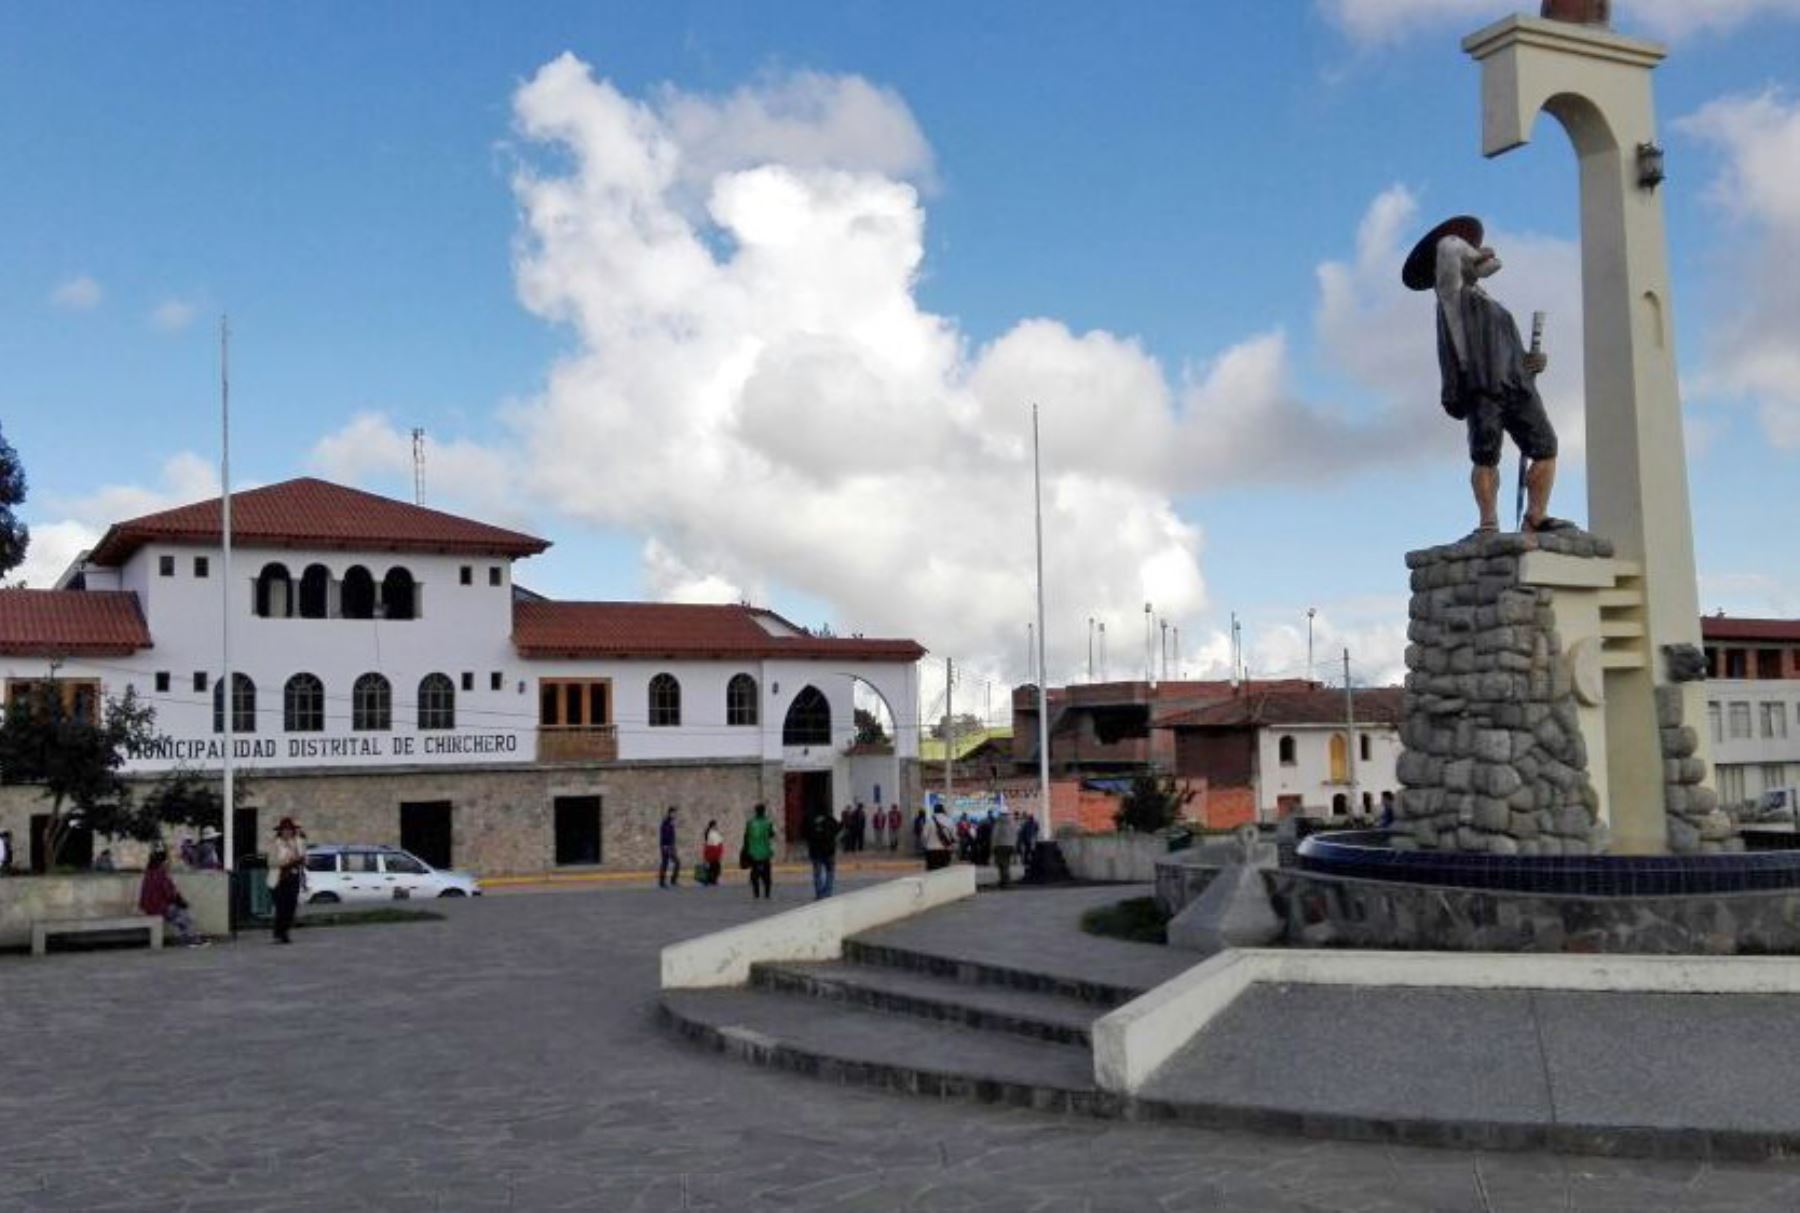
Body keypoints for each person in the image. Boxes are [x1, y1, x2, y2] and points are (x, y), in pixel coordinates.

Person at [1403, 215, 1563, 537]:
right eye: (1467, 254)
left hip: (1518, 384)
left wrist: (1531, 362)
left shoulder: (1495, 306)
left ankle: (1536, 516)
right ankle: (1488, 521)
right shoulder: (1451, 296)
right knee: (1486, 454)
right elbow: (1448, 247)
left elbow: (1510, 348)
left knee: (1546, 447)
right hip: (1483, 385)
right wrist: (1478, 255)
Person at [139, 847, 206, 946]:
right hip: (159, 907)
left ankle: (186, 938)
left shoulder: (149, 873)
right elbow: (170, 894)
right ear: (163, 862)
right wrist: (182, 902)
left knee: (179, 917)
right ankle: (191, 939)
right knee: (186, 915)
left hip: (149, 906)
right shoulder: (160, 873)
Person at [268, 817, 307, 944]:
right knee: (281, 906)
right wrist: (287, 862)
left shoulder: (298, 842)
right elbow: (271, 862)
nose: (287, 832)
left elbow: (304, 858)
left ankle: (285, 932)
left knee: (291, 906)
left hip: (293, 876)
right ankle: (278, 933)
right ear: (280, 832)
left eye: (290, 830)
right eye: (285, 830)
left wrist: (299, 860)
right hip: (279, 877)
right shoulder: (275, 844)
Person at [803, 804, 841, 900]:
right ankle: (827, 892)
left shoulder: (810, 821)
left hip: (815, 852)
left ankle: (819, 893)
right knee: (830, 873)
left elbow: (804, 833)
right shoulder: (830, 820)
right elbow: (838, 830)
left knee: (817, 874)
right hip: (829, 851)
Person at [742, 803, 776, 899]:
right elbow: (771, 834)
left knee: (755, 874)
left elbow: (746, 837)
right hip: (765, 852)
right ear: (764, 811)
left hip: (753, 852)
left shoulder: (750, 823)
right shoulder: (768, 823)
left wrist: (746, 850)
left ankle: (756, 893)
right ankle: (767, 894)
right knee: (767, 875)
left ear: (755, 811)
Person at [991, 810, 1020, 889]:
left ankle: (1004, 881)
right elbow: (1016, 835)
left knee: (1002, 864)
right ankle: (1006, 880)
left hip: (1000, 845)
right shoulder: (1013, 823)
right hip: (1010, 846)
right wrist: (1014, 845)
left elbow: (994, 835)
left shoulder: (998, 823)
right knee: (1006, 864)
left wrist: (992, 847)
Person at [924, 804, 955, 871]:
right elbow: (954, 836)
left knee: (931, 873)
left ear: (934, 811)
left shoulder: (929, 821)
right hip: (945, 850)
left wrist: (926, 845)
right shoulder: (950, 821)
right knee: (944, 873)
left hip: (932, 851)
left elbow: (924, 836)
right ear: (943, 810)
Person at [658, 806, 681, 889]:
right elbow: (664, 835)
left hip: (670, 846)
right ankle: (662, 882)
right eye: (674, 813)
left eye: (675, 813)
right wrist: (665, 846)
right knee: (665, 863)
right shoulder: (666, 822)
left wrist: (673, 845)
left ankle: (672, 880)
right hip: (666, 846)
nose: (675, 815)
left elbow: (671, 835)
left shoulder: (671, 822)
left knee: (677, 862)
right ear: (670, 813)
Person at [700, 819, 725, 887]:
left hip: (710, 851)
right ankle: (712, 880)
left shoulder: (710, 832)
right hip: (713, 852)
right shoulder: (712, 833)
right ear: (713, 826)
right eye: (716, 825)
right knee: (716, 867)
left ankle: (710, 880)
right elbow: (717, 842)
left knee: (712, 866)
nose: (717, 826)